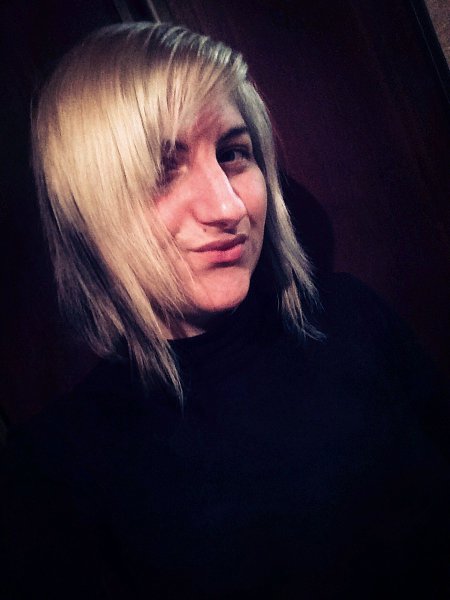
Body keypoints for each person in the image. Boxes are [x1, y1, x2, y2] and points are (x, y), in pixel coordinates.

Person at [1, 22, 449, 599]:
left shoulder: (351, 317)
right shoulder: (55, 471)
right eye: (163, 168)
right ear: (88, 207)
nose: (227, 206)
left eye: (234, 154)